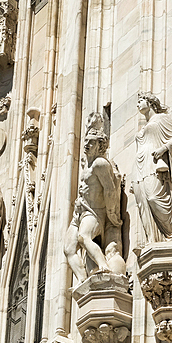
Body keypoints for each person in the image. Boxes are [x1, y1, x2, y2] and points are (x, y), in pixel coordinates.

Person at [65, 117, 124, 280]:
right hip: (79, 212)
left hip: (94, 212)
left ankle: (103, 266)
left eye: (91, 142)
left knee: (84, 237)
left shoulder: (100, 164)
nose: (86, 145)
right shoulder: (87, 165)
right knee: (68, 249)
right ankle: (83, 281)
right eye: (85, 141)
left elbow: (110, 190)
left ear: (100, 145)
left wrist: (112, 215)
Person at [132, 93, 172, 245]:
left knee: (154, 198)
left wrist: (163, 149)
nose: (138, 105)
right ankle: (152, 240)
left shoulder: (162, 118)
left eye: (140, 101)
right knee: (143, 204)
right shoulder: (144, 127)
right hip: (139, 168)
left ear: (150, 102)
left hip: (154, 165)